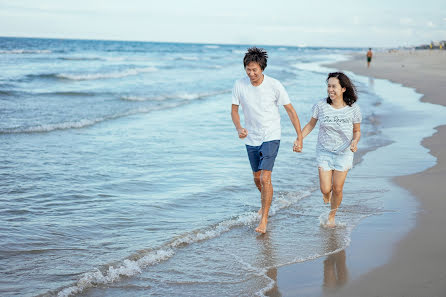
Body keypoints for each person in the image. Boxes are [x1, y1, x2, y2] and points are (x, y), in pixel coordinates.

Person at [231, 47, 303, 234]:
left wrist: (299, 136)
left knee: (265, 177)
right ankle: (267, 200)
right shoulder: (239, 84)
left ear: (262, 68)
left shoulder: (274, 85)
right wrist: (239, 128)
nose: (251, 73)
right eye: (248, 69)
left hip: (271, 135)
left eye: (254, 70)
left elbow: (290, 111)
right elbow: (234, 110)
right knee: (257, 178)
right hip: (251, 137)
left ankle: (264, 219)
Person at [301, 72, 361, 226]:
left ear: (343, 89)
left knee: (338, 188)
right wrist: (299, 138)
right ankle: (326, 194)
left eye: (334, 86)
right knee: (325, 188)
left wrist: (355, 141)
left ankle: (332, 216)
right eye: (329, 86)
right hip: (324, 151)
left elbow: (357, 130)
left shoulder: (353, 108)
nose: (330, 89)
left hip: (344, 153)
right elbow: (311, 124)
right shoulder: (321, 106)